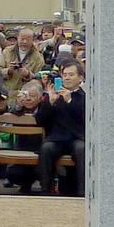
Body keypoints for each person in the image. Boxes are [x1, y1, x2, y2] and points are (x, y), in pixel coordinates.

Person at [35, 60, 86, 196]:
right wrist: (50, 102)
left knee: (82, 149)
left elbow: (85, 120)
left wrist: (70, 101)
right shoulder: (54, 95)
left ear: (80, 78)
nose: (67, 78)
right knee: (46, 148)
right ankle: (45, 191)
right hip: (58, 138)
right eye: (64, 75)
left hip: (78, 137)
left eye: (71, 75)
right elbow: (40, 120)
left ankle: (83, 192)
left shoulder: (85, 96)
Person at [3, 80, 44, 194]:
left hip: (41, 149)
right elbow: (11, 111)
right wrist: (19, 105)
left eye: (33, 96)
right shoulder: (19, 108)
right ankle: (24, 185)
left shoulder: (45, 108)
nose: (29, 99)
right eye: (26, 95)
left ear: (40, 97)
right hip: (22, 148)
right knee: (14, 173)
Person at [0, 28, 45, 103]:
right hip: (7, 94)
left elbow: (41, 78)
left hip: (27, 98)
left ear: (33, 40)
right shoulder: (7, 51)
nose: (24, 42)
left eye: (28, 39)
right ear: (17, 38)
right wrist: (8, 71)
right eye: (22, 39)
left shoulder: (38, 57)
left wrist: (28, 74)